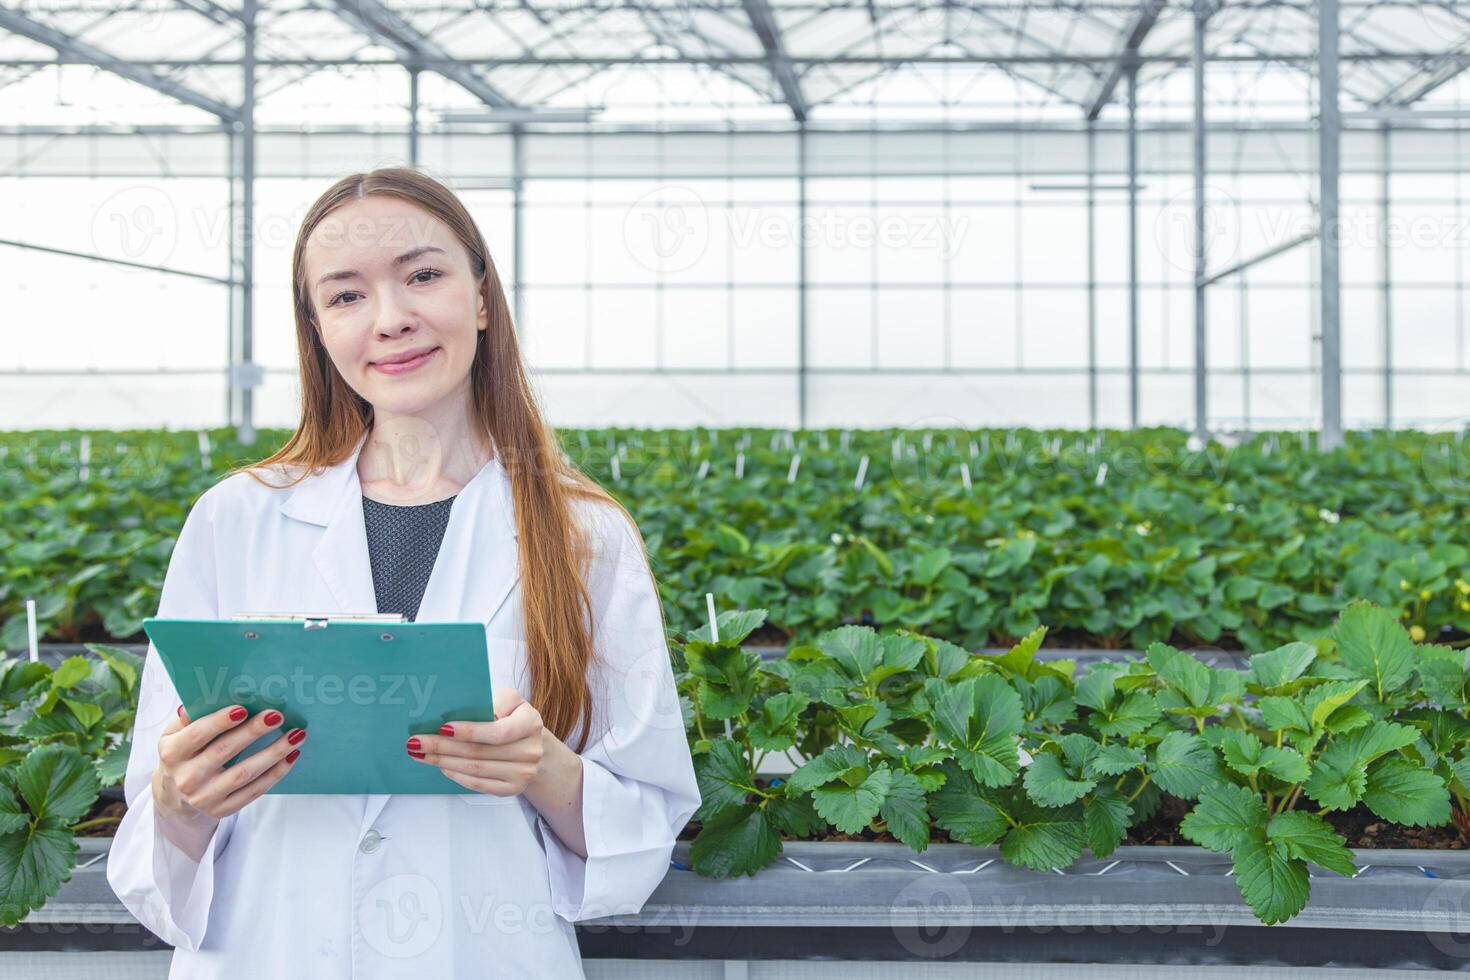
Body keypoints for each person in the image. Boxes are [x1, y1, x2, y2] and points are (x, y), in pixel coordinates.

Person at [106, 166, 701, 978]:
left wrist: (544, 770)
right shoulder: (235, 519)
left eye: (423, 275)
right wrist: (181, 801)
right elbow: (153, 831)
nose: (390, 320)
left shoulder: (585, 535)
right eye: (346, 296)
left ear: (482, 298)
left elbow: (646, 827)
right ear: (316, 328)